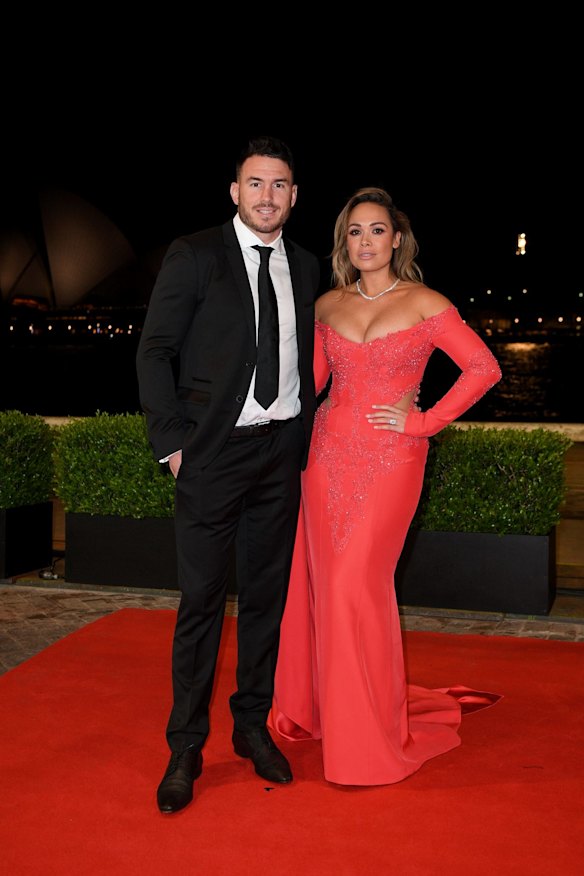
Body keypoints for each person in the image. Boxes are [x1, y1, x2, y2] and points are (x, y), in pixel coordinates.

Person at [269, 186, 502, 786]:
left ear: (397, 238)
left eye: (377, 230)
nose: (366, 241)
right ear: (344, 242)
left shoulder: (427, 303)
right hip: (324, 456)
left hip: (392, 459)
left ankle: (366, 734)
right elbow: (308, 389)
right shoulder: (325, 306)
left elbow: (483, 369)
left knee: (356, 586)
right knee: (326, 585)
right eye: (355, 231)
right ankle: (333, 711)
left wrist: (423, 422)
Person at [136, 136, 321, 813]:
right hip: (212, 455)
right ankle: (185, 745)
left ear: (293, 196)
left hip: (280, 456)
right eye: (255, 184)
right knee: (202, 605)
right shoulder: (195, 255)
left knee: (267, 602)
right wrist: (174, 445)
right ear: (235, 191)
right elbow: (155, 352)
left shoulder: (306, 267)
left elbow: (315, 355)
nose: (267, 196)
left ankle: (251, 727)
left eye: (279, 185)